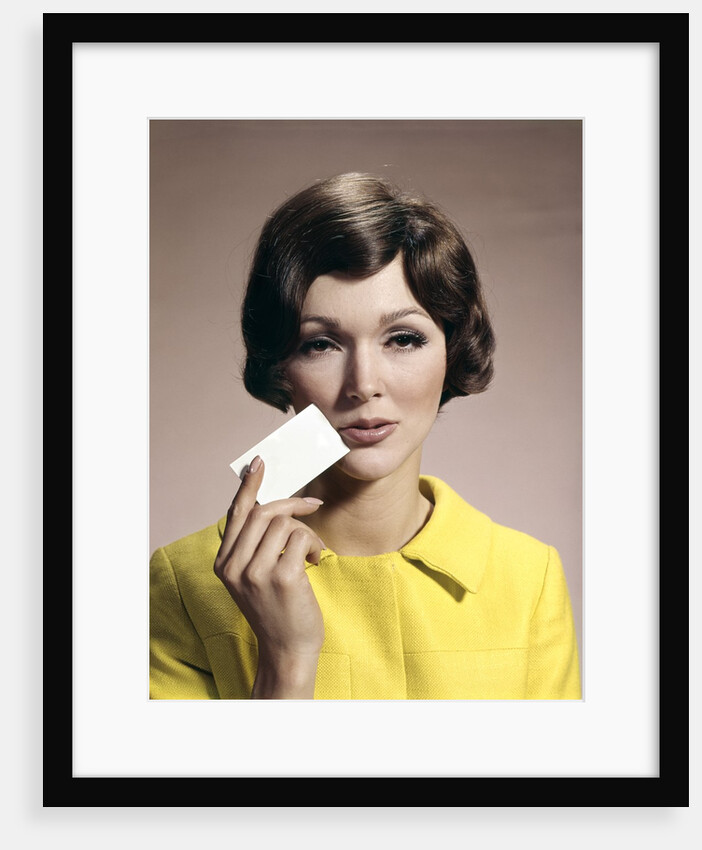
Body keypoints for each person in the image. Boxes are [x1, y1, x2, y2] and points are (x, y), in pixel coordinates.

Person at [149, 172, 581, 700]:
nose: (364, 385)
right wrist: (286, 661)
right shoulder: (187, 581)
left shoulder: (529, 578)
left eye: (403, 339)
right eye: (320, 345)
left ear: (452, 352)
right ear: (280, 366)